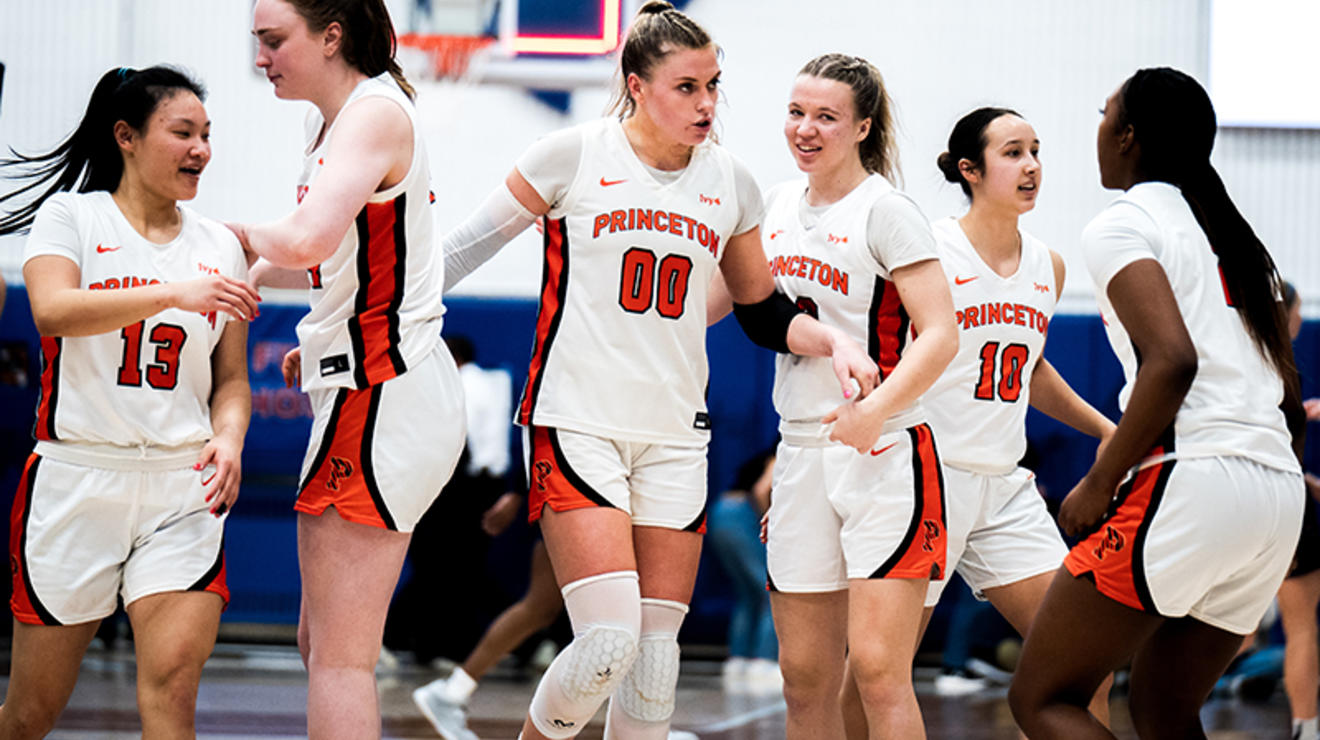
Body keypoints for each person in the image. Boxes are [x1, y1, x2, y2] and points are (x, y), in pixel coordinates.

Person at [441, 5, 875, 738]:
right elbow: (456, 253)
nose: (707, 104)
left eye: (714, 85)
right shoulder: (571, 154)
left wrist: (833, 341)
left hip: (676, 435)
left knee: (654, 666)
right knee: (607, 643)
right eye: (687, 87)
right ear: (637, 85)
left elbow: (759, 308)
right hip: (577, 420)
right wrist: (365, 321)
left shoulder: (730, 182)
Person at [1008, 67, 1306, 739]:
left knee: (1042, 697)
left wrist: (1097, 481)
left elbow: (1172, 362)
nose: (1100, 129)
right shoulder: (1236, 239)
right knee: (1165, 710)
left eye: (1105, 114)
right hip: (1276, 494)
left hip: (1194, 475)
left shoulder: (1125, 223)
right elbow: (1287, 396)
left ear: (1129, 136)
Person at [838, 106, 1116, 734]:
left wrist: (1107, 431)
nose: (1032, 166)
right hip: (923, 478)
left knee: (1084, 665)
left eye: (1036, 151)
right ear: (969, 169)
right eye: (1013, 152)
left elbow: (1030, 370)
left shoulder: (1050, 264)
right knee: (876, 673)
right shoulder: (928, 247)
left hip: (1004, 486)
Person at [0, 65, 256, 738]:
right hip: (77, 477)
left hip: (181, 486)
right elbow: (52, 311)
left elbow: (231, 380)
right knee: (30, 714)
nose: (201, 148)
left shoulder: (219, 245)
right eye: (182, 132)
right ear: (127, 137)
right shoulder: (73, 217)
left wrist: (228, 437)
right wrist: (172, 293)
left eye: (207, 134)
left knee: (173, 688)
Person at [236, 1, 466, 737]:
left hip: (384, 391)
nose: (262, 58)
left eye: (275, 41)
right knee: (322, 646)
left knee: (339, 659)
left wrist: (198, 231)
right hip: (365, 383)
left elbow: (307, 238)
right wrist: (231, 273)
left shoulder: (374, 114)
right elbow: (331, 258)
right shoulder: (334, 122)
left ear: (331, 35)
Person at [749, 53, 958, 739]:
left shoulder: (888, 211)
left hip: (886, 450)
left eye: (826, 117)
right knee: (802, 677)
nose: (806, 129)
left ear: (863, 126)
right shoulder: (774, 206)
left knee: (875, 672)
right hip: (803, 449)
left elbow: (940, 334)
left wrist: (874, 410)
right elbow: (731, 303)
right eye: (797, 112)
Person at [1277, 280, 1320, 740]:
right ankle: (1307, 731)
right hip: (1286, 506)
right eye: (1298, 309)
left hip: (1235, 503)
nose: (1302, 319)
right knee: (1302, 626)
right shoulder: (1284, 371)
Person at [706, 446, 780, 693]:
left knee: (748, 593)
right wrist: (770, 522)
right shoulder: (782, 447)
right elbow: (762, 489)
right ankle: (765, 661)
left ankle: (739, 661)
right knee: (771, 591)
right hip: (743, 515)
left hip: (721, 512)